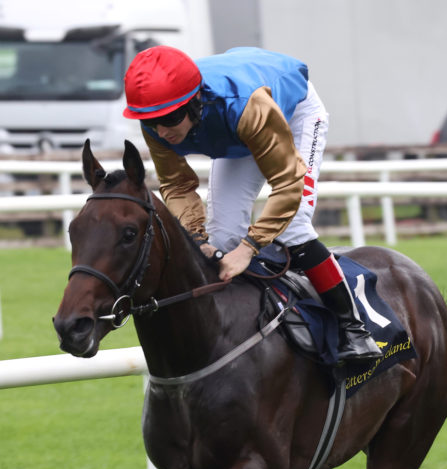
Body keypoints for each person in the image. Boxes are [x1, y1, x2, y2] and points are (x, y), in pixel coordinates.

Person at [122, 45, 381, 362]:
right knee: (221, 238)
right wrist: (199, 240)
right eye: (152, 122)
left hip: (290, 112)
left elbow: (287, 183)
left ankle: (354, 328)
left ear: (194, 101)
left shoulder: (249, 106)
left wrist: (249, 248)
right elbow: (176, 184)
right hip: (236, 129)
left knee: (293, 226)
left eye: (170, 118)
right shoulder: (156, 118)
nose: (162, 130)